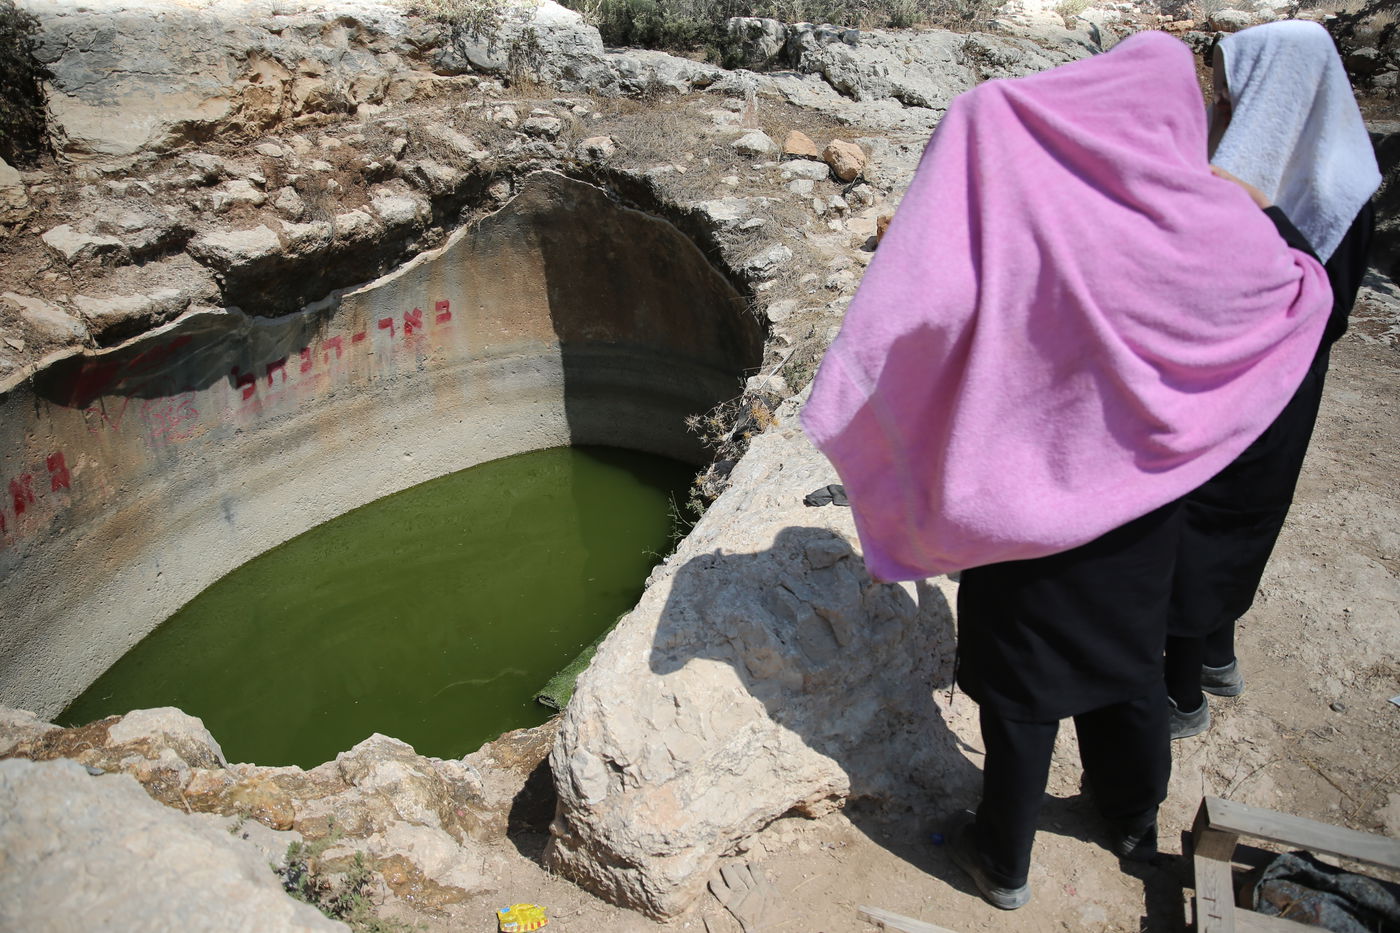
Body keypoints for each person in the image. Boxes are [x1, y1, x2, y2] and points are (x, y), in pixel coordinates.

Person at [801, 32, 1333, 909]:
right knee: (1129, 659)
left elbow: (931, 295)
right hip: (1143, 501)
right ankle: (1128, 818)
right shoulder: (1214, 222)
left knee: (1022, 681)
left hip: (1024, 498)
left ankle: (1002, 858)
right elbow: (1298, 290)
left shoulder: (1030, 191)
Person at [1163, 20, 1381, 739]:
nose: (1220, 108)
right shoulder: (1338, 175)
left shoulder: (1310, 191)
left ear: (1280, 94)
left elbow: (1317, 307)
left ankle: (1179, 695)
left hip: (1255, 390)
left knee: (1204, 523)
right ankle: (1218, 656)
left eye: (1232, 95)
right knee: (1238, 521)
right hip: (1280, 386)